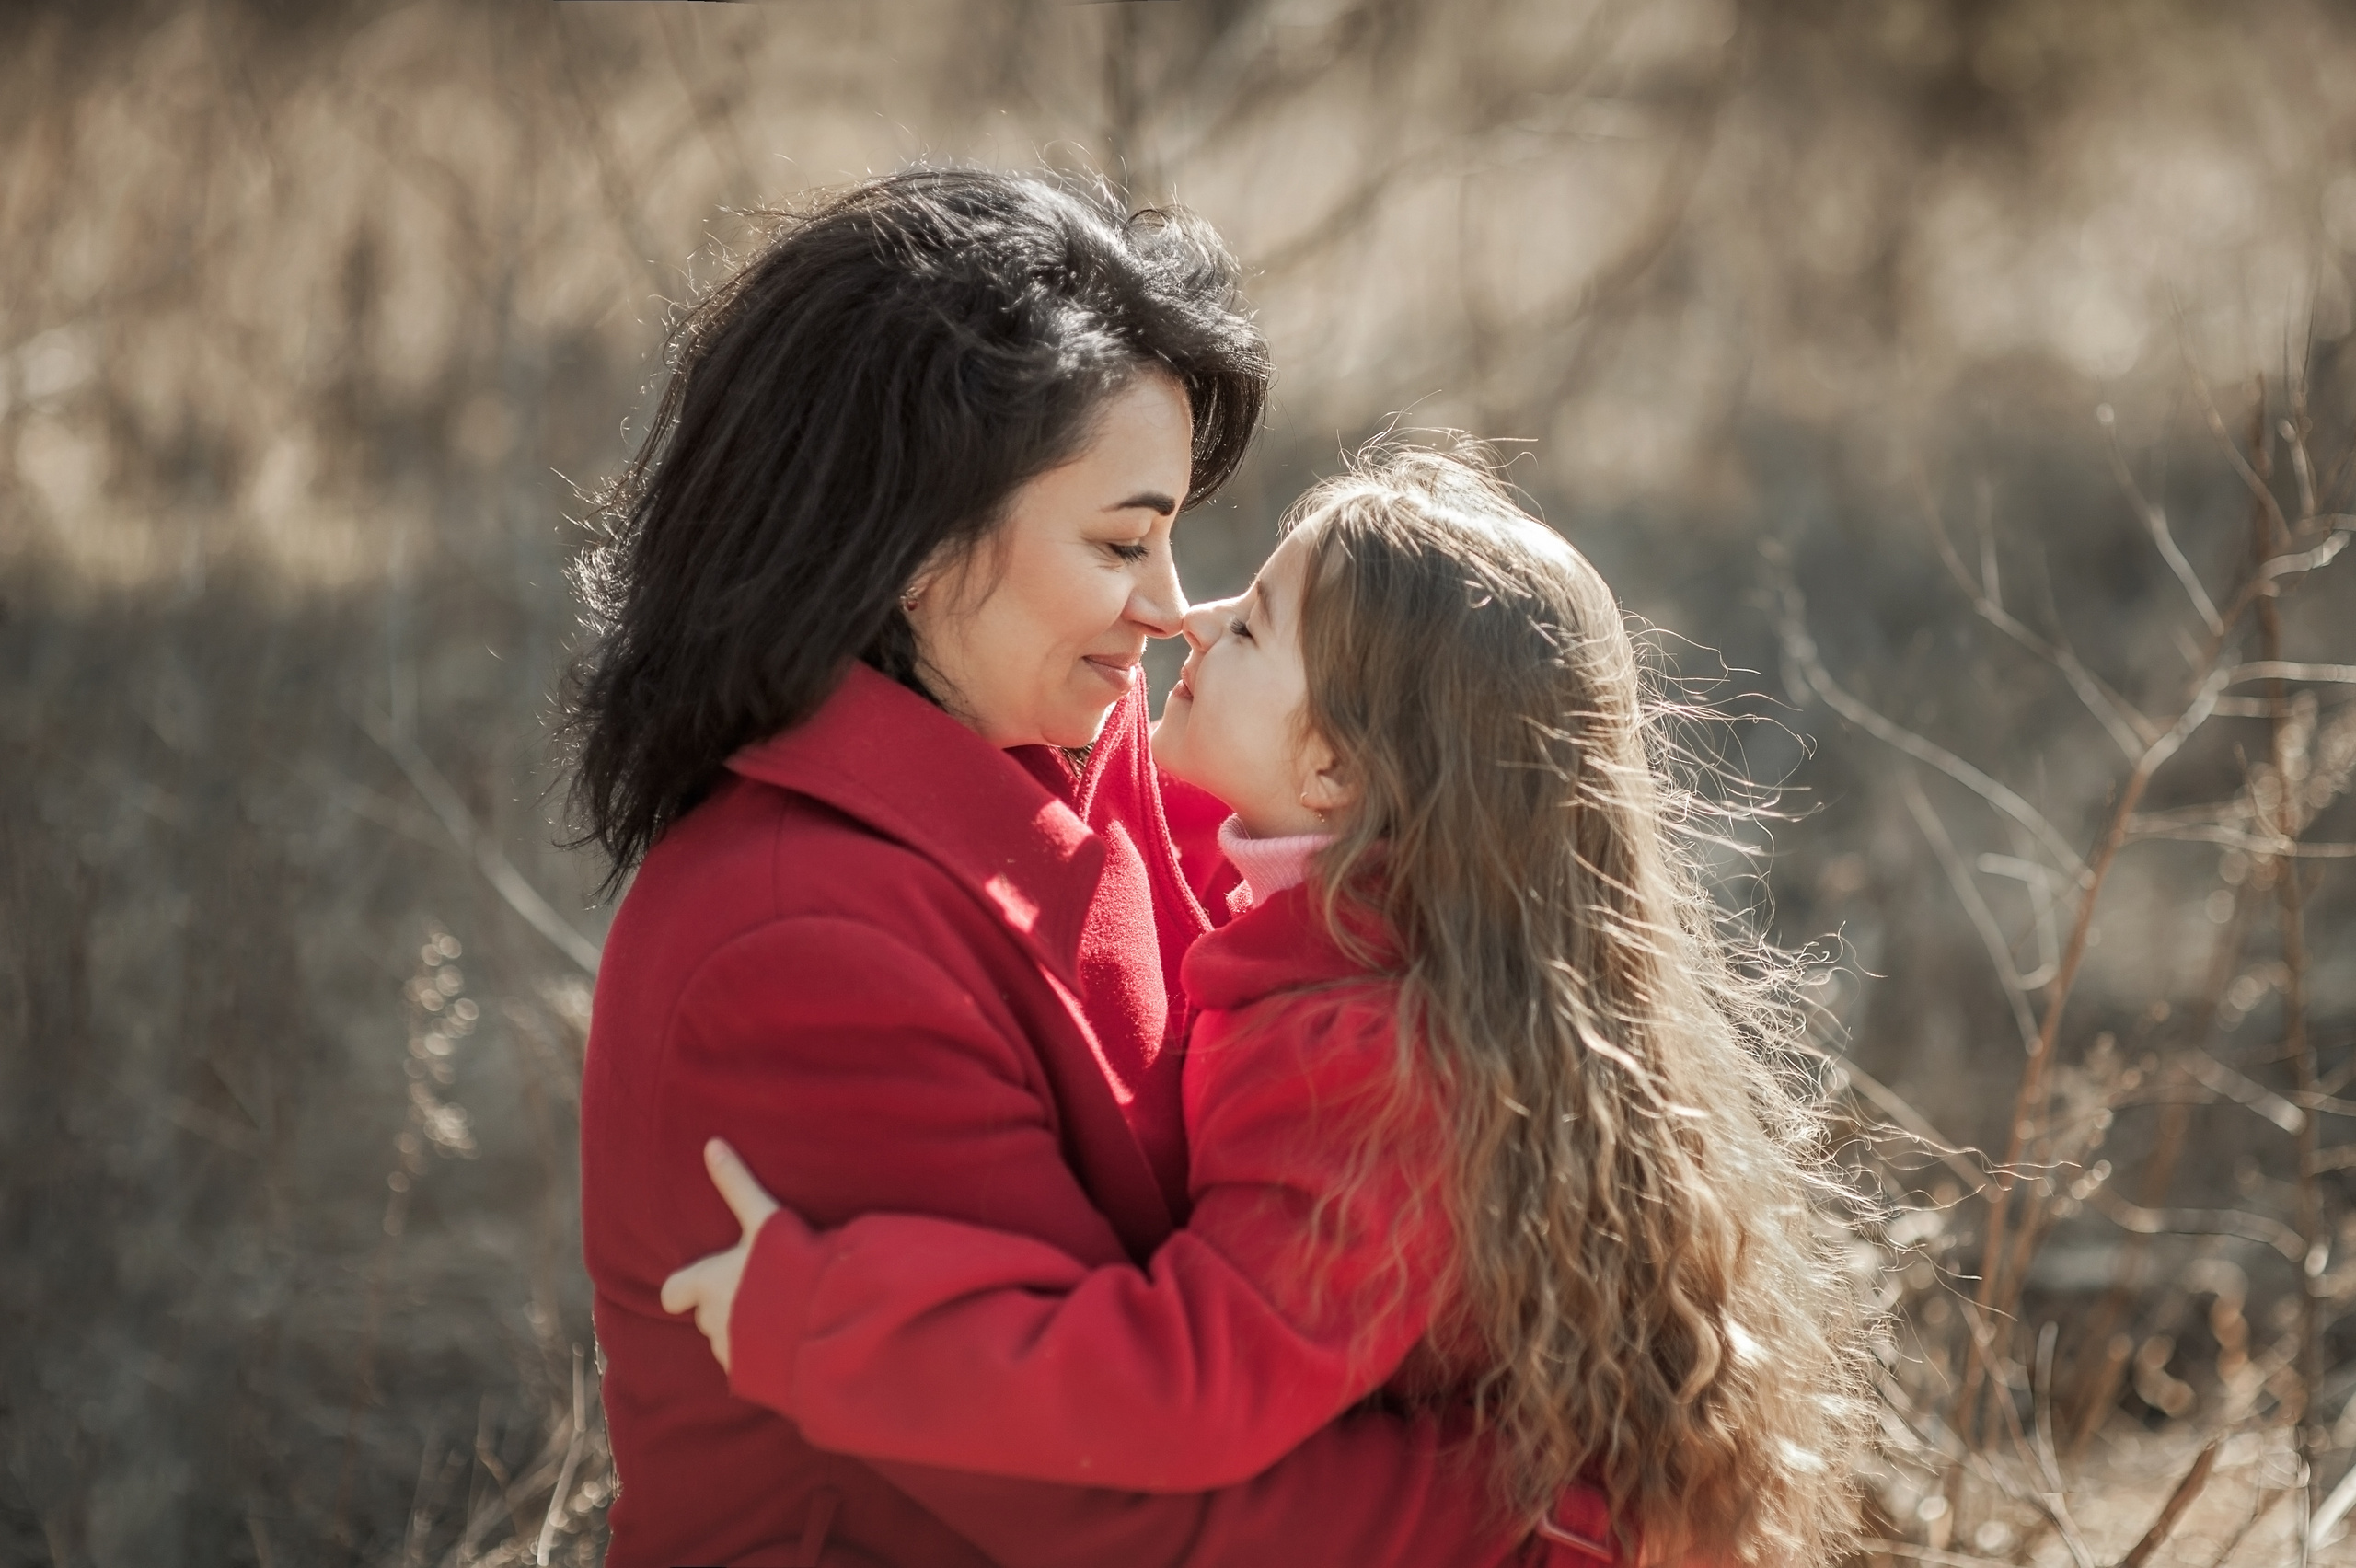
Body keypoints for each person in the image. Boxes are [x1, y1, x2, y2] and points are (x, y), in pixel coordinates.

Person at [568, 171, 1602, 1567]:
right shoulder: (795, 952)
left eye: (1173, 529)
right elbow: (1128, 1505)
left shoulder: (1079, 727)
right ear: (913, 548)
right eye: (1123, 542)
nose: (1173, 607)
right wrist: (1563, 1521)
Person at [661, 448, 1877, 1564]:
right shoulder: (1383, 952)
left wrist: (818, 1317)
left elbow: (1186, 1391)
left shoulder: (1368, 1055)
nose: (1189, 618)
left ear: (1335, 769)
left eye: (1251, 627)